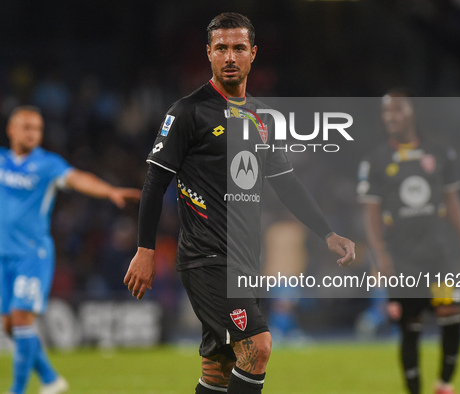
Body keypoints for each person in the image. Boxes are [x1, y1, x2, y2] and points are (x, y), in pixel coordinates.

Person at [124, 12, 355, 394]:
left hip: (247, 259)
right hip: (207, 258)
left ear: (253, 54)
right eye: (221, 48)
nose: (230, 56)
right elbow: (154, 183)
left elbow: (287, 184)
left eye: (238, 48)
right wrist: (145, 249)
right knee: (258, 348)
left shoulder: (263, 117)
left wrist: (327, 232)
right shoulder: (187, 112)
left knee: (219, 369)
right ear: (209, 54)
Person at [0, 105, 141, 394]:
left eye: (38, 129)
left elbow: (77, 178)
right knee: (10, 327)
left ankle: (17, 391)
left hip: (33, 255)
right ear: (11, 130)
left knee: (21, 320)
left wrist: (109, 191)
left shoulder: (47, 165)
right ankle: (50, 379)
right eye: (27, 127)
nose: (33, 134)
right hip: (4, 256)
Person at [357, 91, 460, 394]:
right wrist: (379, 256)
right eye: (386, 113)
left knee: (452, 318)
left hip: (439, 258)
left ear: (412, 113)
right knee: (409, 331)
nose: (391, 117)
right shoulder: (376, 161)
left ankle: (444, 385)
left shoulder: (438, 152)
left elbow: (453, 203)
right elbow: (370, 215)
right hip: (403, 260)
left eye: (397, 111)